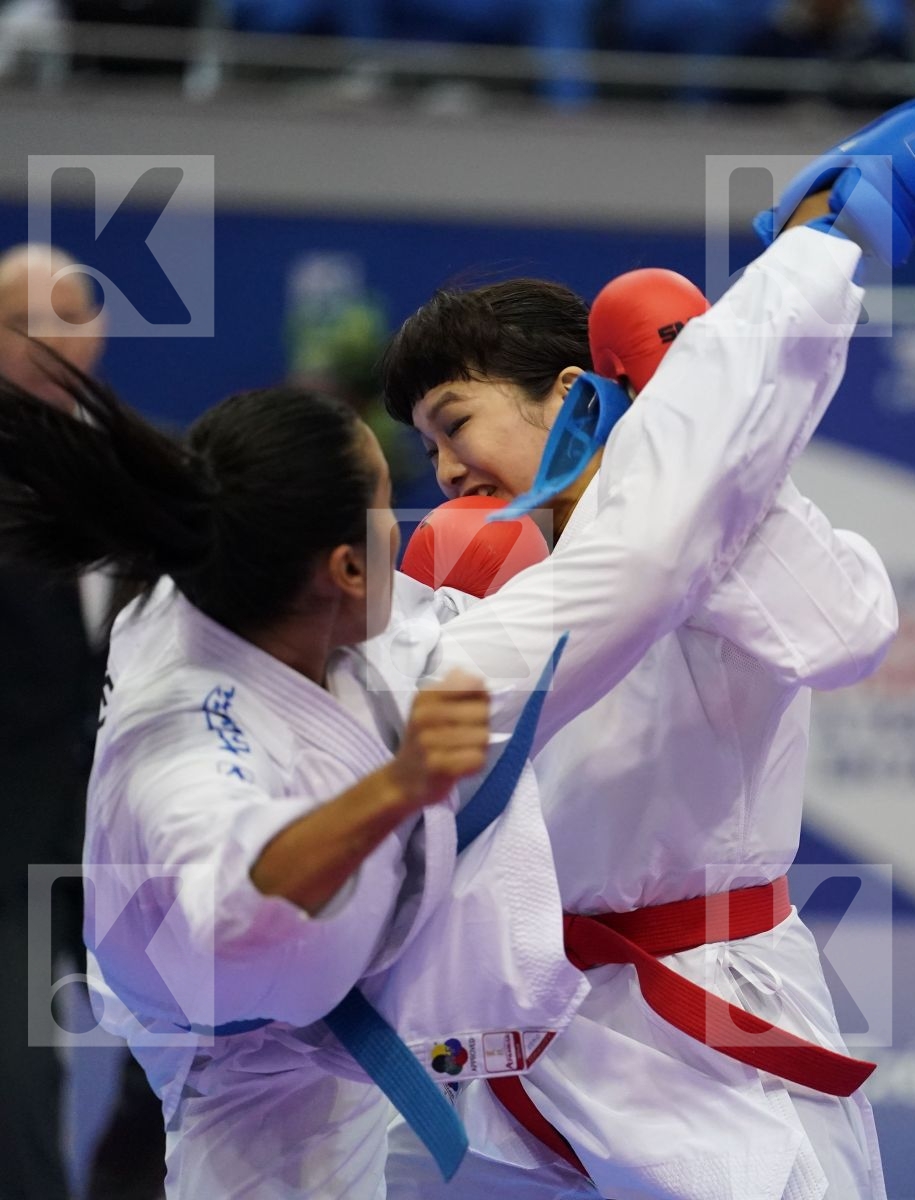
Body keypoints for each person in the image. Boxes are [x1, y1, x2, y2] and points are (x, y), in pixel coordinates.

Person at [0, 210, 866, 1196]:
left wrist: (801, 262)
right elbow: (233, 905)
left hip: (433, 1013)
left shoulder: (282, 599)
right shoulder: (187, 742)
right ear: (338, 570)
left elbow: (647, 555)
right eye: (385, 502)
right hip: (249, 1056)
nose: (430, 507)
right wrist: (398, 788)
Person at [380, 90, 915, 1200]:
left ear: (573, 394)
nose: (441, 467)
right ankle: (827, 228)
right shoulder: (460, 562)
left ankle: (829, 228)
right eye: (424, 444)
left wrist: (700, 412)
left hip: (710, 997)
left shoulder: (712, 535)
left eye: (455, 422)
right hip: (523, 1008)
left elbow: (850, 632)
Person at [0, 244, 120, 1200]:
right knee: (17, 1083)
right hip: (8, 839)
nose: (49, 340)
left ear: (99, 332)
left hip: (136, 827)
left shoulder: (157, 468)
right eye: (20, 321)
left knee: (203, 1049)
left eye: (67, 316)